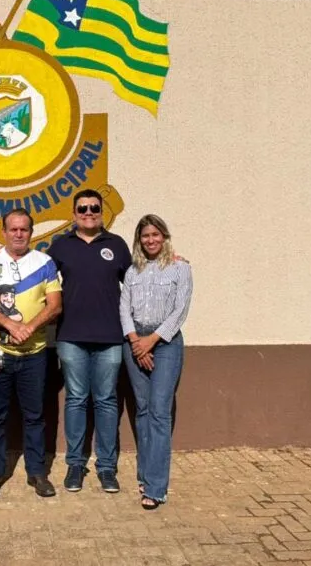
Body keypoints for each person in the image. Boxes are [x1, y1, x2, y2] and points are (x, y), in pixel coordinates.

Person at [0, 208, 63, 499]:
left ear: (31, 232)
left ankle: (37, 473)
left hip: (34, 353)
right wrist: (10, 324)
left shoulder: (45, 262)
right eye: (13, 229)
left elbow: (55, 305)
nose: (19, 234)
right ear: (4, 232)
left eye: (24, 229)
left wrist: (29, 327)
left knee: (35, 416)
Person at [47, 189, 132, 494]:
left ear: (101, 212)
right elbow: (33, 276)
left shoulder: (117, 245)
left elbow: (138, 282)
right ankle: (75, 465)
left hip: (110, 337)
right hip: (71, 337)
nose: (88, 212)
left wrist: (170, 261)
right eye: (82, 208)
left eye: (94, 208)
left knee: (107, 401)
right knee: (76, 400)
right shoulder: (60, 247)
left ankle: (107, 468)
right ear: (74, 214)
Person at [119, 214, 193, 510]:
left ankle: (156, 487)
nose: (150, 240)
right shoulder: (132, 271)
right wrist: (137, 341)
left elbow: (180, 310)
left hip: (165, 345)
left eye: (155, 235)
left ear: (164, 236)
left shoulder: (180, 268)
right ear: (139, 240)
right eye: (145, 236)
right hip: (135, 342)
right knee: (143, 410)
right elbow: (124, 308)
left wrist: (151, 341)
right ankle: (144, 473)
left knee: (160, 413)